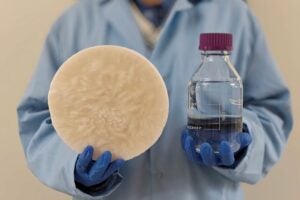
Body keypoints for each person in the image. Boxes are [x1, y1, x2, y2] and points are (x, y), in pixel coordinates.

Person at [17, 0, 293, 199]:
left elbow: (271, 110)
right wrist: (72, 166)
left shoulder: (233, 15)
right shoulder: (75, 23)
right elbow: (37, 118)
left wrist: (242, 143)